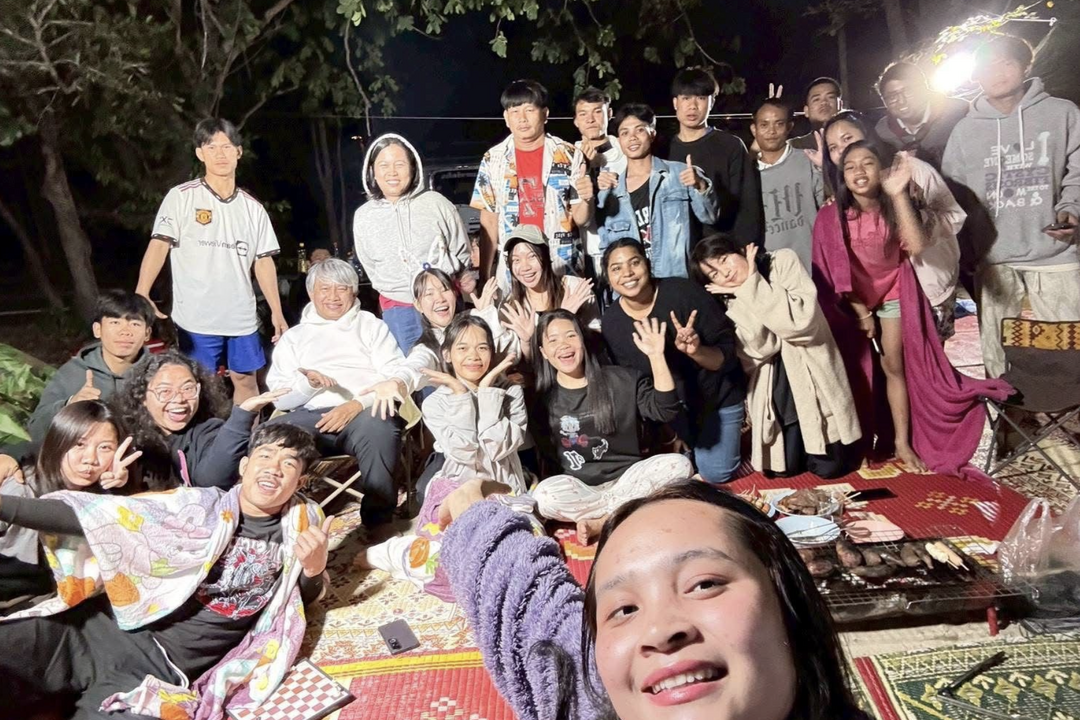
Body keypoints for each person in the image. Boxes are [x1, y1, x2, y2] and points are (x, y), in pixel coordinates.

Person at [437, 478, 871, 720]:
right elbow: (528, 607)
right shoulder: (593, 694)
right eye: (624, 609)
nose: (660, 631)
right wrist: (475, 509)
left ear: (791, 604)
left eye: (704, 584)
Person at [0, 423, 331, 720]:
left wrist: (314, 569)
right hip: (90, 631)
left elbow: (294, 602)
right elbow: (96, 517)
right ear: (245, 466)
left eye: (289, 464)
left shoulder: (301, 526)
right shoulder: (197, 506)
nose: (274, 468)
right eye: (266, 455)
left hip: (157, 671)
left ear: (300, 482)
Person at [942, 35, 1080, 380]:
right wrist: (967, 249)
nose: (997, 73)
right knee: (997, 348)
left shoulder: (1062, 113)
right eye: (987, 66)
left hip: (1056, 252)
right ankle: (1006, 409)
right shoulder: (964, 131)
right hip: (994, 258)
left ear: (1026, 66)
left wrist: (1072, 207)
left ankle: (1070, 409)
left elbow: (1077, 168)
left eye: (1005, 63)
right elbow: (953, 196)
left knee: (1070, 344)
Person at [360, 315, 527, 601]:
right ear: (447, 354)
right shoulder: (436, 402)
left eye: (482, 347)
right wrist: (461, 396)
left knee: (515, 560)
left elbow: (497, 449)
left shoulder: (510, 392)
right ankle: (392, 553)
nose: (473, 356)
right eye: (462, 348)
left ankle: (401, 552)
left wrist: (488, 393)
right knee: (443, 565)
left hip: (503, 489)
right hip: (456, 491)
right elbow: (466, 452)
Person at [136, 118, 287, 404]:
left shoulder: (253, 208)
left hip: (241, 316)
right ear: (200, 153)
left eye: (227, 147)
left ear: (238, 152)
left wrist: (277, 312)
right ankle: (203, 433)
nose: (220, 154)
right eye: (212, 147)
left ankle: (247, 433)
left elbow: (263, 261)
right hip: (197, 316)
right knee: (199, 383)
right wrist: (142, 291)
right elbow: (159, 244)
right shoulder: (181, 197)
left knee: (247, 380)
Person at [691, 236, 860, 477]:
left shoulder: (782, 261)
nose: (725, 273)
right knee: (783, 470)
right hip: (775, 382)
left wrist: (752, 283)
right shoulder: (727, 299)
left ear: (740, 250)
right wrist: (744, 291)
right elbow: (762, 347)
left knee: (829, 468)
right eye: (714, 274)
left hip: (812, 372)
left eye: (724, 259)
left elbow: (799, 323)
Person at [266, 258, 414, 526]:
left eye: (342, 288)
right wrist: (309, 385)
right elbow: (279, 398)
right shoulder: (294, 337)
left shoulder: (371, 326)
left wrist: (355, 405)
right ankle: (270, 519)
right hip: (309, 415)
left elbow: (393, 376)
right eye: (325, 289)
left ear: (354, 292)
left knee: (381, 426)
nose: (333, 297)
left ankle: (378, 522)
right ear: (311, 293)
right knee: (268, 437)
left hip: (363, 411)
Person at [530, 309, 692, 543]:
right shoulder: (541, 401)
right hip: (584, 491)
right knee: (544, 496)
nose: (563, 345)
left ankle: (603, 520)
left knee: (679, 465)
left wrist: (657, 356)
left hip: (629, 479)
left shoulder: (623, 380)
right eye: (553, 340)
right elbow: (548, 456)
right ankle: (628, 509)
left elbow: (665, 410)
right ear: (544, 352)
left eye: (571, 335)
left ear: (583, 340)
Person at [601, 238, 745, 483]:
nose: (627, 273)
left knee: (715, 473)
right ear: (608, 277)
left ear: (647, 264)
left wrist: (696, 351)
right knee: (667, 474)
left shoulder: (684, 292)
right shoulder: (612, 322)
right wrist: (669, 431)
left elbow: (727, 358)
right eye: (617, 268)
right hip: (672, 411)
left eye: (634, 263)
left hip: (717, 399)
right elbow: (637, 387)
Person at [820, 111, 965, 341]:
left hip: (927, 286)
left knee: (927, 359)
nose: (842, 150)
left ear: (867, 134)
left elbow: (953, 216)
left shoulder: (910, 169)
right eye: (833, 147)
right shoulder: (845, 192)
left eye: (847, 138)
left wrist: (915, 219)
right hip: (881, 296)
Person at [1, 401, 140, 609]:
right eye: (79, 444)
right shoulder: (20, 489)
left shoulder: (98, 497)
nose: (90, 459)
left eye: (105, 448)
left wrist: (119, 489)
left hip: (53, 604)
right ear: (58, 441)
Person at [353, 133, 474, 353]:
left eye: (399, 164)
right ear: (372, 172)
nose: (392, 172)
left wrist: (449, 281)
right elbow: (369, 263)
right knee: (414, 368)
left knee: (457, 360)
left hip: (443, 301)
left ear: (413, 167)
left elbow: (460, 248)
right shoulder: (364, 216)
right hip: (399, 309)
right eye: (384, 165)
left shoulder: (436, 203)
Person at [471, 80, 593, 291]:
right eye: (515, 111)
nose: (522, 118)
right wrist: (484, 275)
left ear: (545, 114)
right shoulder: (493, 159)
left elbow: (581, 219)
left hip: (561, 262)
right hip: (515, 267)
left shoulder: (569, 155)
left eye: (529, 110)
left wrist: (588, 199)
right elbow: (489, 221)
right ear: (506, 118)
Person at [113, 349, 279, 490]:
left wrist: (242, 417)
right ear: (142, 396)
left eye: (188, 389)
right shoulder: (123, 434)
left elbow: (213, 480)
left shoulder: (208, 431)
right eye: (165, 391)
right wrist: (119, 483)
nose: (179, 399)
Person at [595, 104, 718, 279]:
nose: (632, 138)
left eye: (639, 130)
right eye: (625, 133)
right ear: (619, 140)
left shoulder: (680, 173)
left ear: (652, 133)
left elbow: (710, 217)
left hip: (675, 279)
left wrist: (700, 186)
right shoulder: (611, 191)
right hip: (633, 284)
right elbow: (607, 247)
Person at [26, 290, 155, 447]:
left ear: (147, 333)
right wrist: (70, 405)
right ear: (97, 330)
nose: (125, 332)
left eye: (135, 324)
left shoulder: (159, 373)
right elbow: (36, 430)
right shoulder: (73, 373)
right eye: (115, 323)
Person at [667, 67, 763, 245]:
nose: (693, 106)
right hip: (677, 250)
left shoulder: (730, 145)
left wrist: (743, 249)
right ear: (675, 103)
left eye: (701, 98)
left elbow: (748, 206)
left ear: (711, 103)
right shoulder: (663, 150)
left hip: (722, 248)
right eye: (686, 98)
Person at [498, 225, 601, 358]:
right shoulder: (510, 307)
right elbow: (523, 363)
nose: (525, 267)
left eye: (532, 256)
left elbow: (597, 344)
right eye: (516, 260)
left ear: (545, 256)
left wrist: (567, 319)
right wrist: (526, 342)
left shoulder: (575, 288)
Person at [750, 98, 823, 270]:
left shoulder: (808, 160)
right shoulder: (747, 172)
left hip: (812, 265)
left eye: (779, 124)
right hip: (769, 269)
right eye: (764, 125)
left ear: (789, 127)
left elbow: (828, 206)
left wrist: (824, 170)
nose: (771, 131)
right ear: (754, 129)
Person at [572, 86, 628, 304]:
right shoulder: (568, 155)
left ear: (609, 113)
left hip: (621, 248)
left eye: (597, 111)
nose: (590, 119)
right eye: (583, 114)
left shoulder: (625, 149)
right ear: (576, 121)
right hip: (583, 251)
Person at [874, 61, 970, 169]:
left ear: (924, 89)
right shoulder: (882, 132)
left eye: (908, 91)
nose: (901, 101)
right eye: (892, 97)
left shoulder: (959, 112)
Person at [790, 76, 843, 151]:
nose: (824, 102)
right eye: (816, 99)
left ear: (840, 105)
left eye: (830, 97)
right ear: (806, 111)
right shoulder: (794, 146)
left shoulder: (855, 139)